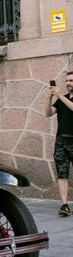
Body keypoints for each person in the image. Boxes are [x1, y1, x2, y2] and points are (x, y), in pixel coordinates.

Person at [45, 72, 73, 217]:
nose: (68, 83)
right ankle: (64, 205)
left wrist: (60, 95)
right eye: (67, 80)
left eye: (71, 80)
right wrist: (49, 98)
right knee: (62, 174)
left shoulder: (63, 98)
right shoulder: (61, 99)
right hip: (61, 141)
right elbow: (48, 113)